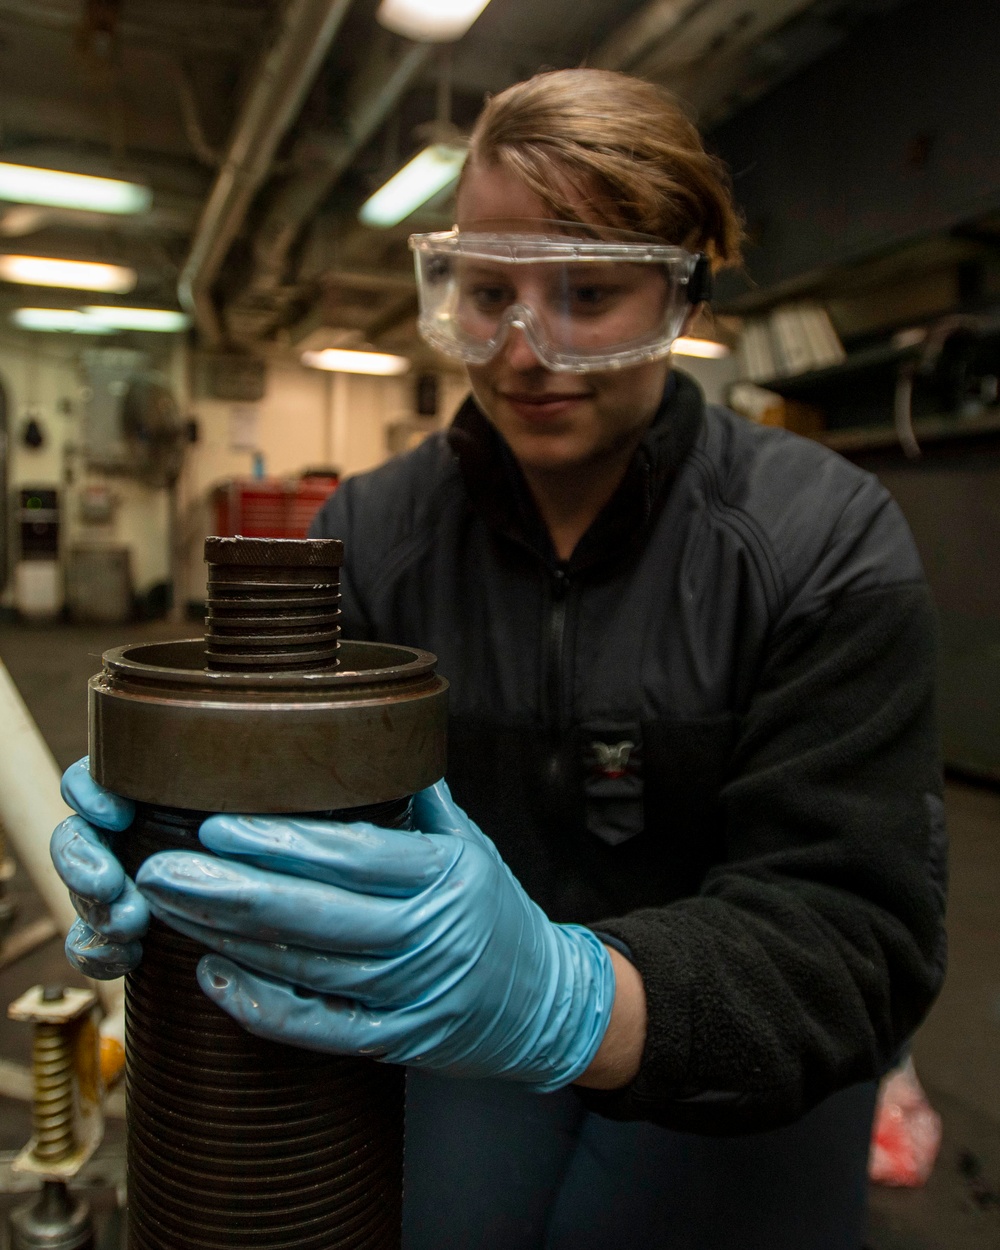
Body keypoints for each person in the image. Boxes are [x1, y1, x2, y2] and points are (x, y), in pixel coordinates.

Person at [51, 69, 947, 1249]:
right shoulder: (364, 536)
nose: (525, 351)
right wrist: (162, 837)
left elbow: (856, 935)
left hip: (724, 1044)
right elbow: (277, 836)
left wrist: (575, 999)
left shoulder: (819, 539)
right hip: (444, 1029)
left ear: (683, 290)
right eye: (486, 293)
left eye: (589, 293)